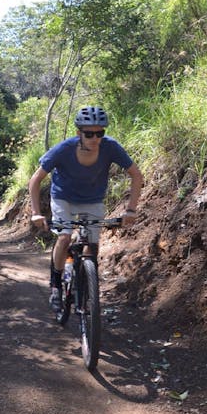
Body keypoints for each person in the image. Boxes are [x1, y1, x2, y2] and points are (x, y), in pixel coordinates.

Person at [28, 106, 143, 311]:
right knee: (64, 237)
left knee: (92, 245)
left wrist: (131, 210)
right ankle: (56, 285)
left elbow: (136, 175)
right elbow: (35, 180)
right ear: (78, 133)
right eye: (89, 133)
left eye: (100, 133)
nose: (95, 138)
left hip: (92, 199)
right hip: (63, 197)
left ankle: (89, 286)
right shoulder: (63, 149)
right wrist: (36, 213)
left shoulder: (110, 148)